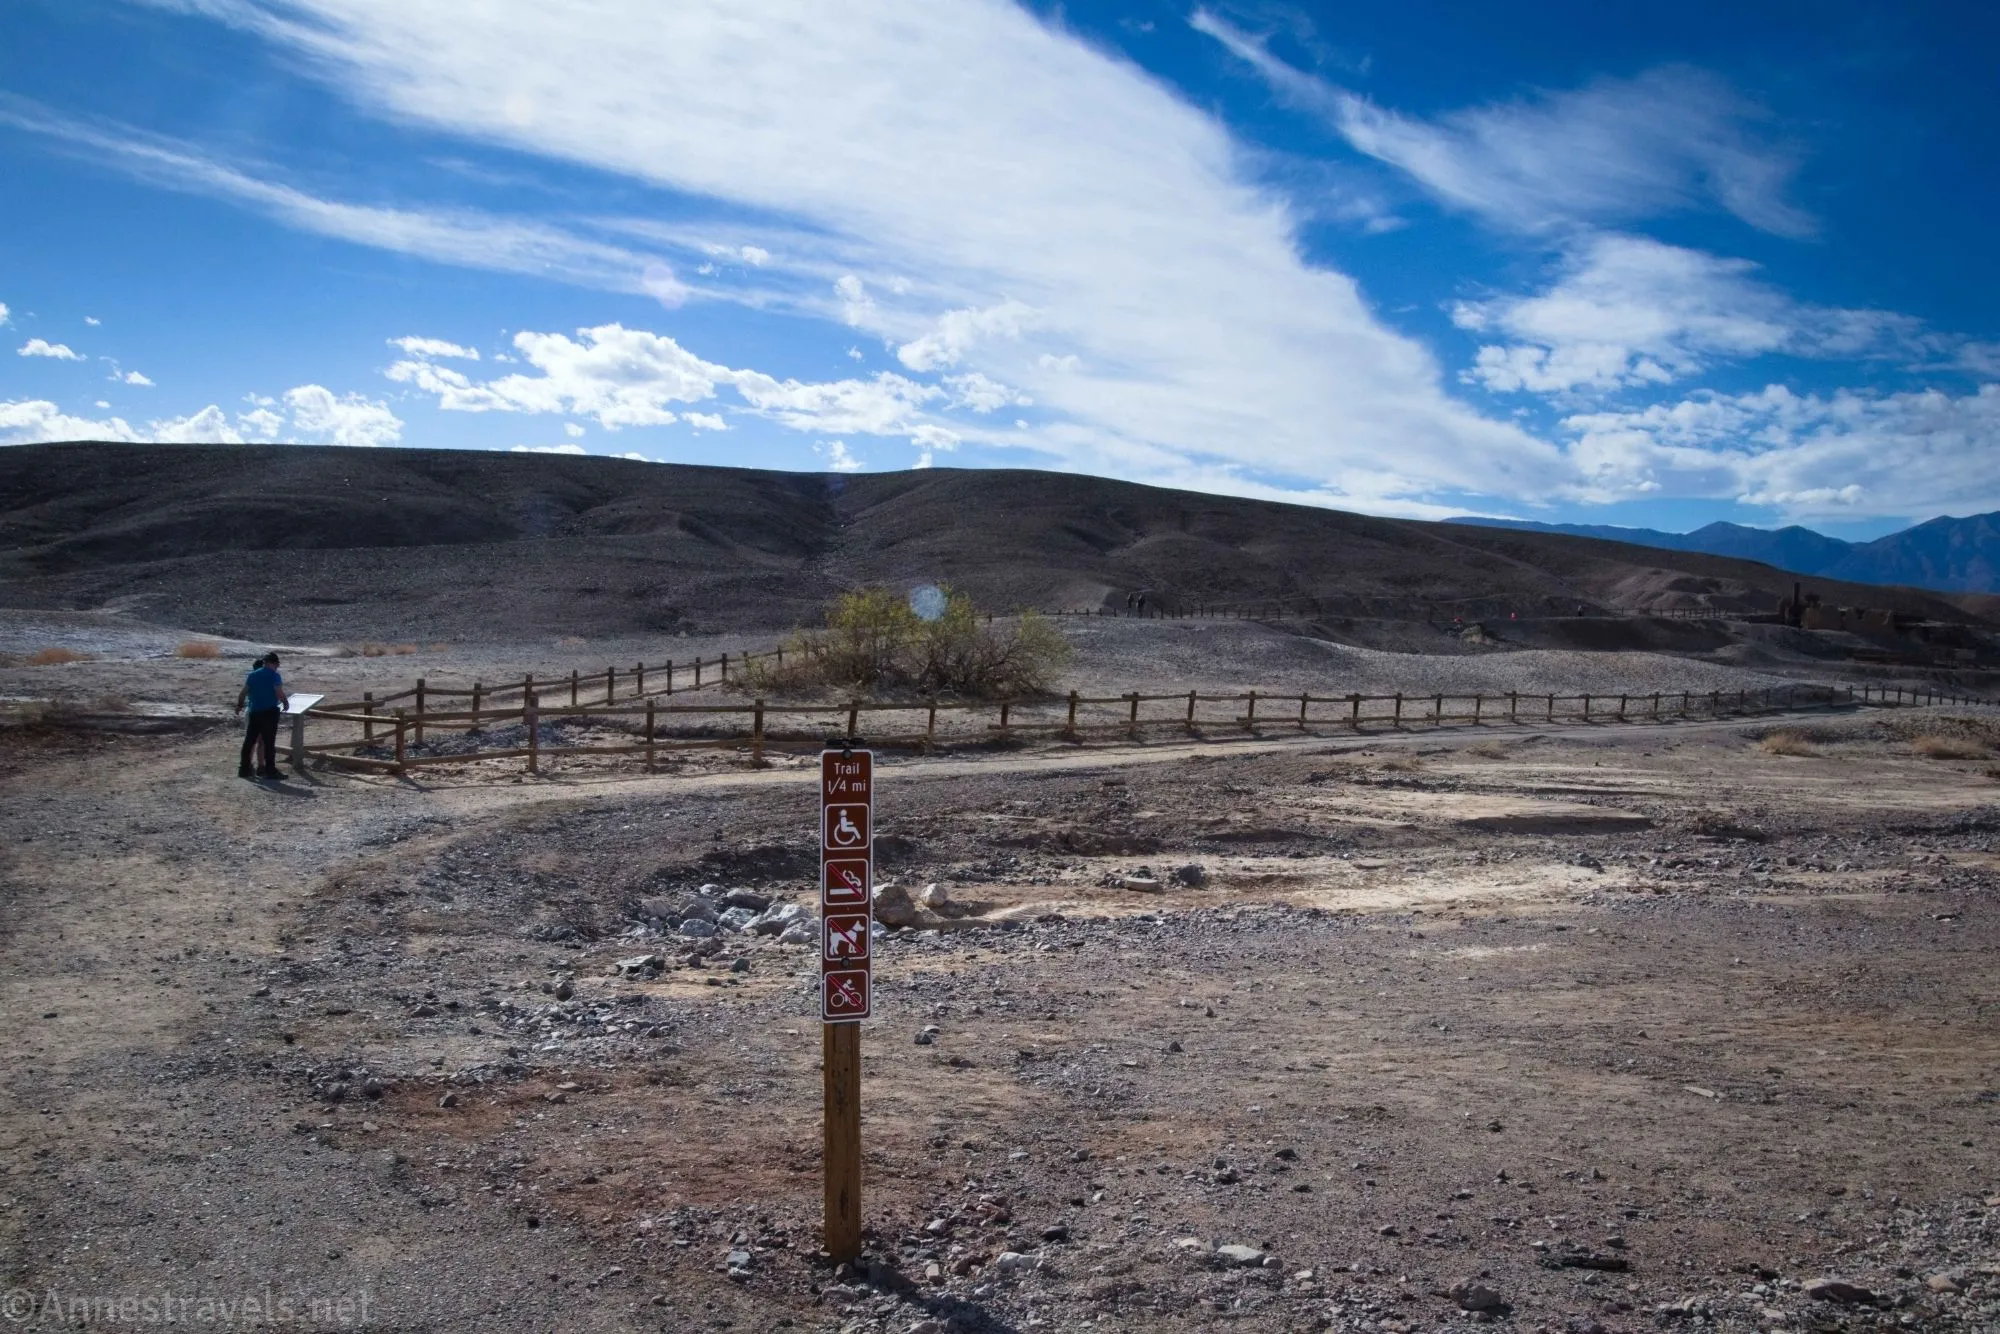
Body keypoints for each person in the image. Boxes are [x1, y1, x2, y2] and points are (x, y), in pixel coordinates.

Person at [234, 652, 291, 779]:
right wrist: (285, 702)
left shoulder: (252, 675)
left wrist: (239, 705)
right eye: (277, 664)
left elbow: (243, 693)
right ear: (272, 663)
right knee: (268, 743)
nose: (277, 667)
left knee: (249, 742)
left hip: (254, 712)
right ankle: (270, 770)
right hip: (269, 712)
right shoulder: (274, 676)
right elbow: (279, 692)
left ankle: (243, 769)